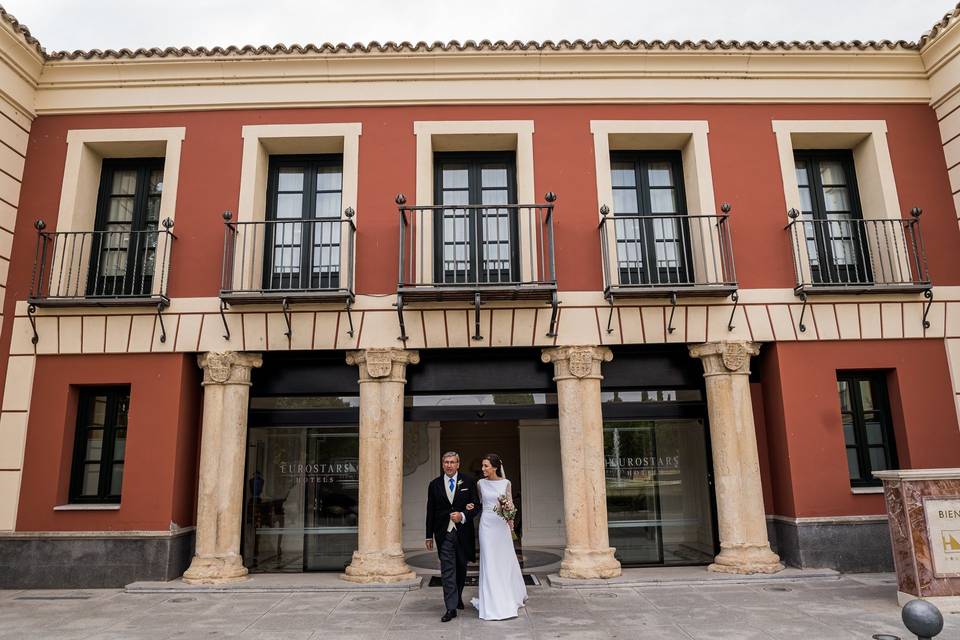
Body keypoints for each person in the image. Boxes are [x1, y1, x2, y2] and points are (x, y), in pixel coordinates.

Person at [471, 453, 528, 621]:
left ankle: (507, 596)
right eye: (482, 466)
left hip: (501, 526)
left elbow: (510, 504)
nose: (483, 469)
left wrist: (509, 516)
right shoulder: (480, 483)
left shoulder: (506, 483)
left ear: (495, 467)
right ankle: (491, 601)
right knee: (489, 561)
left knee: (503, 560)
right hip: (487, 525)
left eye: (486, 466)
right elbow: (481, 502)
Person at [425, 451, 479, 622]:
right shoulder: (434, 484)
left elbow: (476, 506)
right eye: (446, 462)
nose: (449, 465)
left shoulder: (469, 482)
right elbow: (430, 511)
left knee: (461, 567)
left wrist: (462, 516)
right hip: (444, 533)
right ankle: (451, 607)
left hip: (463, 532)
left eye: (452, 462)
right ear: (442, 464)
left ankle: (458, 597)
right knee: (448, 569)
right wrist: (428, 535)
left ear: (458, 464)